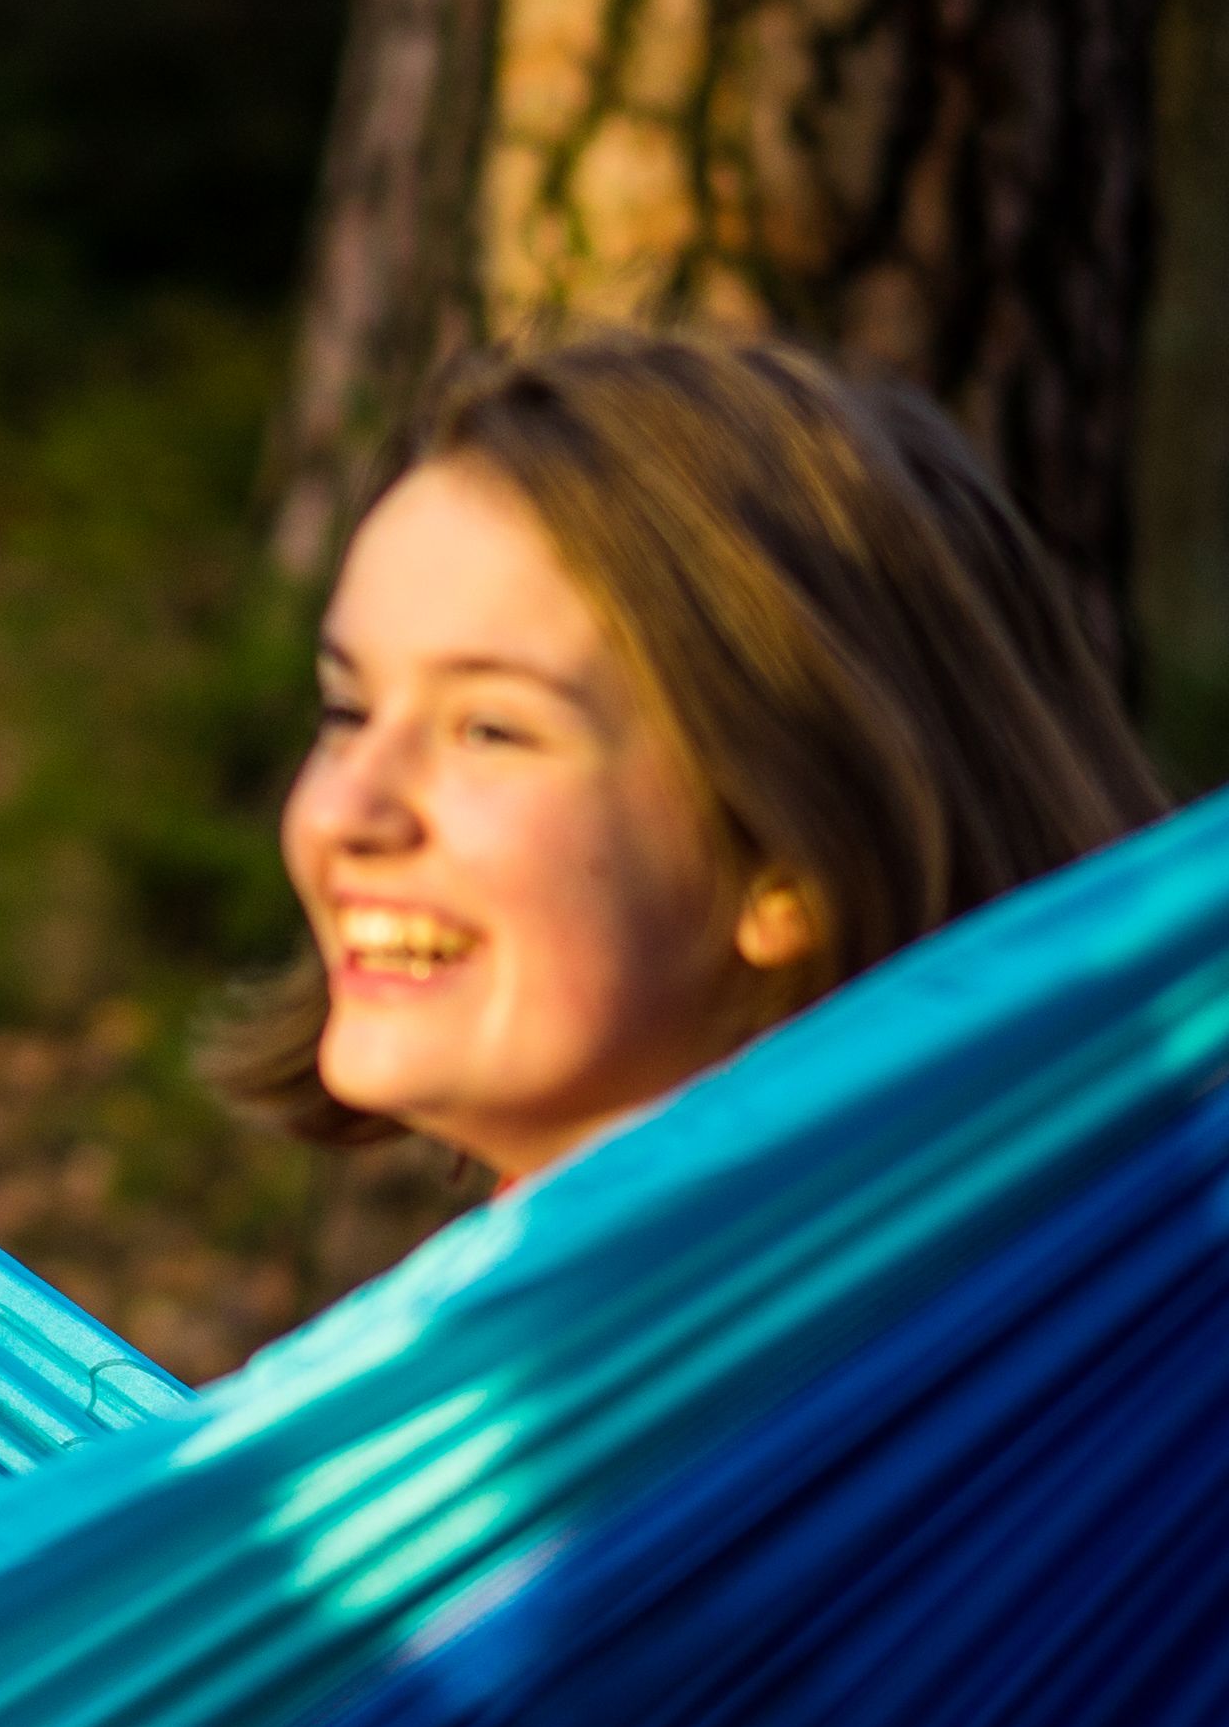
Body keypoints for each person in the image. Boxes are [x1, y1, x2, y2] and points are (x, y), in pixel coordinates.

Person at [226, 328, 1168, 1184]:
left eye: (489, 730)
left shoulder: (852, 1354)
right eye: (348, 712)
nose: (344, 813)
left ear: (784, 866)